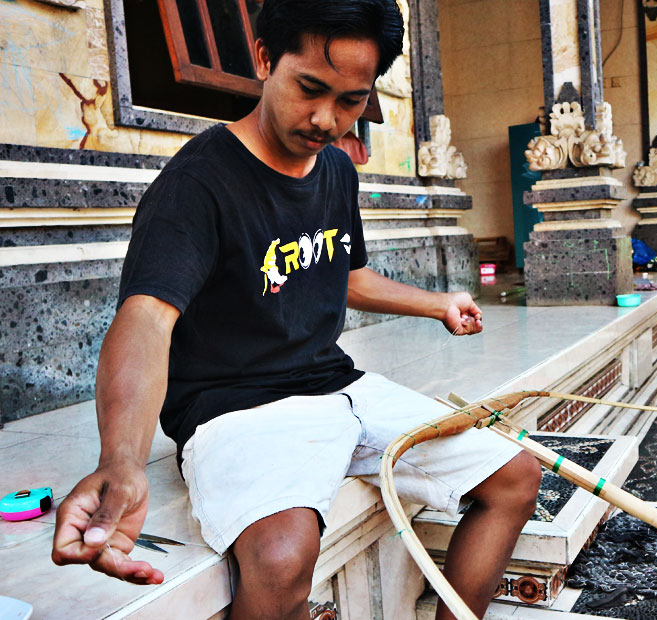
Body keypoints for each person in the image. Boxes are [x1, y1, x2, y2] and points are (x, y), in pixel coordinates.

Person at [49, 2, 542, 619]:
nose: (325, 119)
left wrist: (437, 303)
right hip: (237, 404)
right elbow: (147, 318)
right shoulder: (198, 183)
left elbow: (344, 272)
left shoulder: (336, 167)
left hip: (337, 383)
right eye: (309, 88)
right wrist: (120, 461)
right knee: (282, 559)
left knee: (516, 477)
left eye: (350, 101)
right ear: (263, 59)